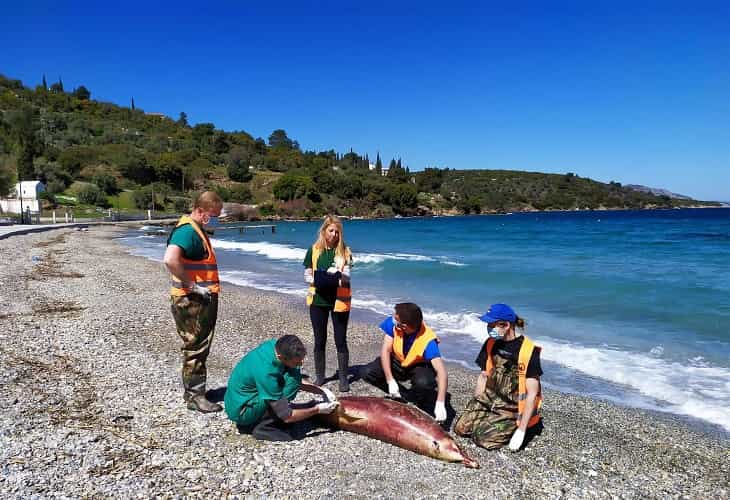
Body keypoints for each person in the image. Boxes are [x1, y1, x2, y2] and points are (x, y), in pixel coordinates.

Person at [163, 191, 224, 413]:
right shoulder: (188, 230)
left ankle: (194, 392)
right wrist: (193, 286)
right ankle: (195, 396)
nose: (216, 219)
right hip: (193, 301)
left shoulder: (194, 229)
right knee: (196, 347)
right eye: (214, 215)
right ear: (201, 211)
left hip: (197, 299)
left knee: (198, 346)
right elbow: (170, 259)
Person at [454, 303, 543, 451]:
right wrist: (476, 404)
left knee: (481, 438)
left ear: (506, 325)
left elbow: (532, 394)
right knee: (460, 429)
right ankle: (489, 420)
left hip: (512, 408)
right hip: (489, 400)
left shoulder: (528, 351)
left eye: (491, 324)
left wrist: (521, 430)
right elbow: (483, 376)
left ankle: (517, 428)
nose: (489, 328)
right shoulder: (490, 343)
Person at [224, 335, 339, 441]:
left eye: (301, 360)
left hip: (240, 398)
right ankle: (263, 426)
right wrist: (317, 409)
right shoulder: (267, 374)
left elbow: (296, 380)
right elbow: (287, 416)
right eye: (297, 362)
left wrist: (321, 391)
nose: (301, 364)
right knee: (291, 384)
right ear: (280, 357)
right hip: (242, 410)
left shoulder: (276, 346)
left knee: (293, 376)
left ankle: (268, 416)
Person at [360, 302, 449, 422]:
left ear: (405, 326)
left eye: (396, 319)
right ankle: (400, 395)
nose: (393, 319)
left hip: (418, 366)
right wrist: (390, 380)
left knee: (424, 383)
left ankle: (419, 398)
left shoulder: (428, 340)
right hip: (398, 362)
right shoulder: (394, 324)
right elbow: (385, 351)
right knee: (367, 372)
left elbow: (442, 372)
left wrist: (440, 402)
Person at [303, 215, 353, 391]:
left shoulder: (345, 251)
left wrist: (337, 277)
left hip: (340, 302)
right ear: (324, 231)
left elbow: (347, 276)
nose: (334, 234)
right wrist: (321, 280)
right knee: (319, 339)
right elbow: (307, 275)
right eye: (331, 230)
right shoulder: (314, 250)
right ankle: (320, 377)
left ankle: (343, 379)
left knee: (340, 339)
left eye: (337, 232)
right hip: (318, 300)